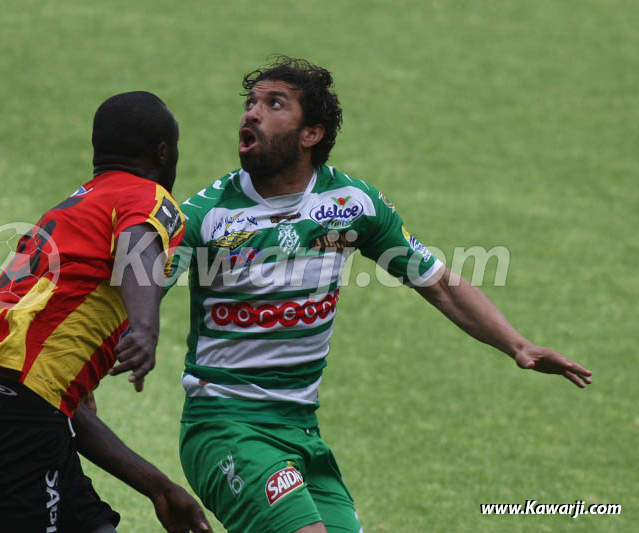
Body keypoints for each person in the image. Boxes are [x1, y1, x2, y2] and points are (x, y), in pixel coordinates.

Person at [166, 56, 592, 533]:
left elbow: (438, 284)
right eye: (250, 103)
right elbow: (134, 295)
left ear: (312, 134)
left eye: (273, 103)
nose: (251, 113)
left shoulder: (351, 204)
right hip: (224, 425)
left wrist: (518, 344)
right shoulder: (208, 214)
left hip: (301, 430)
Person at [0, 91, 212, 533]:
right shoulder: (145, 196)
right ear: (164, 152)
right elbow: (137, 245)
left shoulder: (72, 213)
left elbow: (64, 416)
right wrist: (144, 328)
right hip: (13, 412)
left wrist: (159, 489)